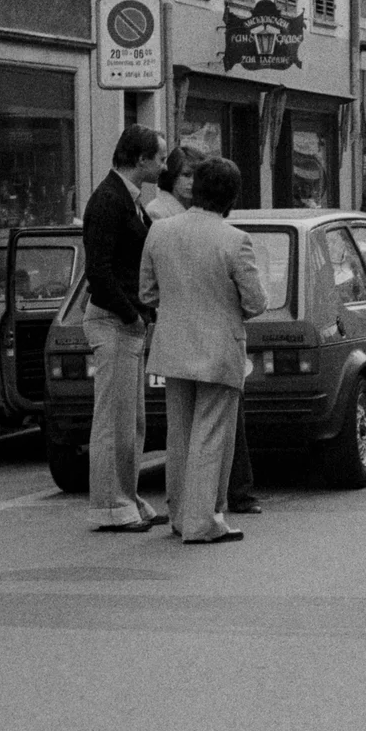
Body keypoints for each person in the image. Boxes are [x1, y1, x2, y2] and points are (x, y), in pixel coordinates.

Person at [140, 156, 269, 544]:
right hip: (219, 348)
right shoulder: (234, 240)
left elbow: (146, 292)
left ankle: (180, 514)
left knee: (178, 435)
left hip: (173, 345)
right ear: (231, 196)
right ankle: (202, 521)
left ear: (194, 188)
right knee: (212, 436)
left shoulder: (159, 231)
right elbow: (256, 302)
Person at [81, 125, 167, 533]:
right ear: (140, 160)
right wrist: (132, 314)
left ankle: (128, 498)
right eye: (160, 159)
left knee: (132, 422)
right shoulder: (108, 201)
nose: (164, 165)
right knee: (113, 420)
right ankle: (111, 506)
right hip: (113, 321)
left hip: (127, 321)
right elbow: (98, 271)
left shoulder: (129, 201)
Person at [147, 146, 196, 222]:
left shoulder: (201, 208)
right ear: (173, 175)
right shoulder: (156, 210)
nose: (192, 181)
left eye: (197, 176)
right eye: (186, 175)